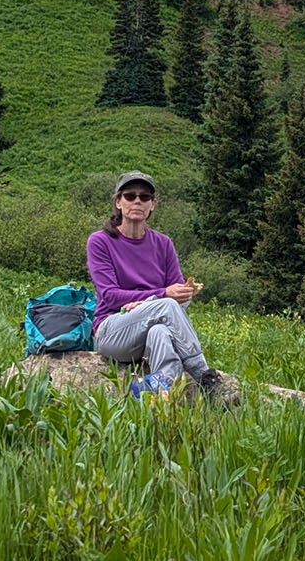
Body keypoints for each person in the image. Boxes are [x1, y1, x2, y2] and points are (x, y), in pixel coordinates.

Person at [87, 172, 227, 401]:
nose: (137, 201)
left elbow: (177, 298)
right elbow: (110, 296)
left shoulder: (163, 243)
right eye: (130, 196)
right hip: (112, 330)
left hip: (147, 331)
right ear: (118, 202)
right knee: (165, 306)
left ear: (152, 205)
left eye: (144, 197)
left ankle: (153, 392)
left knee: (160, 330)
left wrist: (171, 297)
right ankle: (204, 376)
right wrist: (160, 295)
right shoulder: (100, 241)